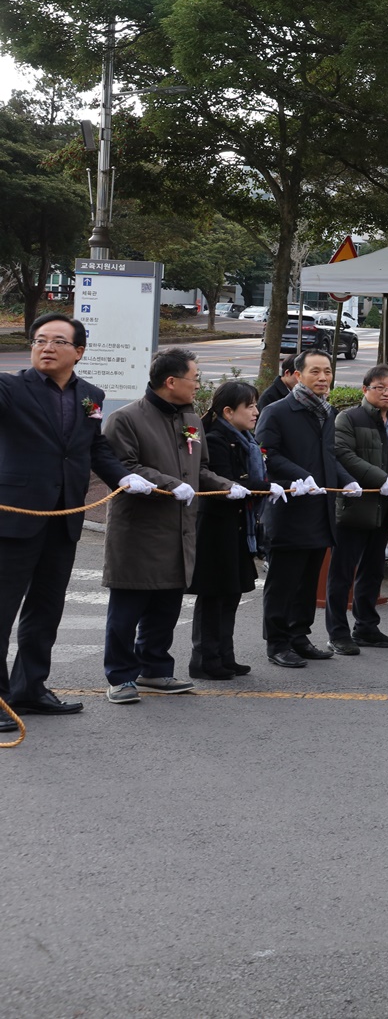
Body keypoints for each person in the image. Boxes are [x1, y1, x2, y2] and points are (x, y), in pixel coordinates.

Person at [0, 312, 129, 729]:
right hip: (15, 516)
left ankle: (30, 688)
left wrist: (126, 477)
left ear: (79, 351)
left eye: (58, 341)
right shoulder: (9, 387)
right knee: (1, 610)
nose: (46, 347)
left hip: (64, 517)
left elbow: (95, 447)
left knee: (46, 608)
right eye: (40, 340)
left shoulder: (90, 395)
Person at [99, 348, 240, 703]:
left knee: (166, 608)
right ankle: (120, 677)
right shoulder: (126, 419)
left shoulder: (189, 419)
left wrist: (227, 486)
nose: (198, 385)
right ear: (171, 381)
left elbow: (201, 469)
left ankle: (155, 668)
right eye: (194, 378)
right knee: (127, 609)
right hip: (139, 531)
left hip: (180, 530)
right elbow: (123, 467)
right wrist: (167, 482)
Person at [257, 349, 360, 667]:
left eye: (327, 371)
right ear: (297, 375)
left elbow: (329, 456)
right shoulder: (277, 412)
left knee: (307, 579)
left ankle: (299, 636)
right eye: (315, 372)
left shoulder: (327, 412)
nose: (323, 378)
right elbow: (266, 454)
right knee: (283, 580)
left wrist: (347, 481)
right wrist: (301, 476)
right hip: (289, 510)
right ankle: (277, 642)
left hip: (321, 510)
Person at [327, 365, 388, 653]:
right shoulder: (349, 418)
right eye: (379, 387)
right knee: (342, 573)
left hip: (386, 508)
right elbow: (343, 454)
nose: (386, 392)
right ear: (365, 389)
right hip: (355, 508)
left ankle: (366, 627)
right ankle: (338, 633)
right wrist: (382, 479)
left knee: (373, 570)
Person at [189, 380, 264, 681]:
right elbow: (228, 481)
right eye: (250, 406)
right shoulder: (216, 438)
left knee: (231, 592)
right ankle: (204, 659)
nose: (256, 412)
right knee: (213, 594)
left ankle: (225, 655)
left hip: (237, 525)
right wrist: (273, 487)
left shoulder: (246, 439)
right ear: (228, 411)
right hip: (215, 526)